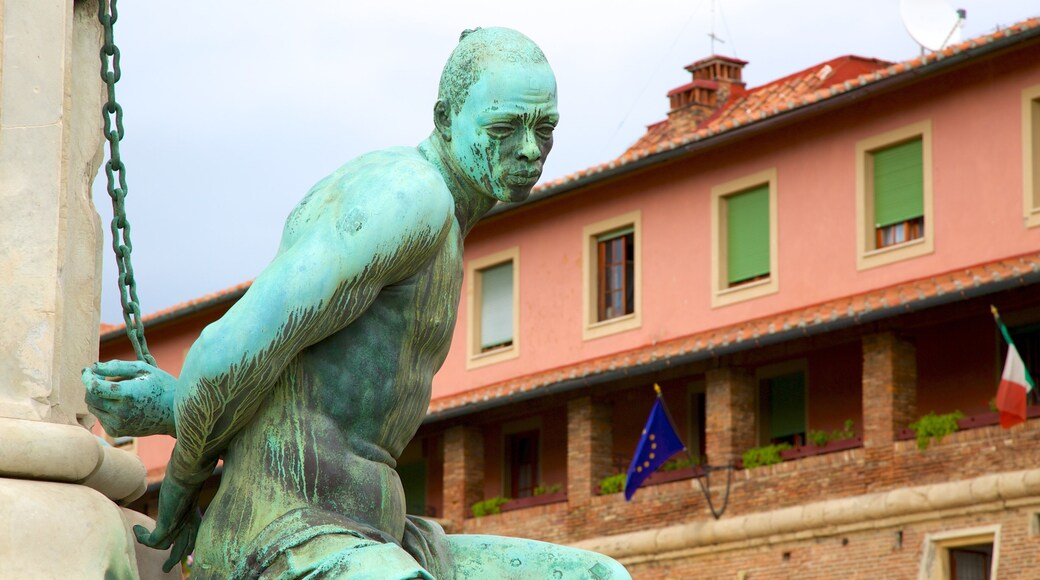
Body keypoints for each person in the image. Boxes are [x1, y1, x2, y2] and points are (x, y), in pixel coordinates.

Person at [84, 27, 629, 579]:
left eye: (545, 127)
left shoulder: (440, 216)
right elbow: (225, 350)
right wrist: (181, 481)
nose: (531, 149)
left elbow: (297, 378)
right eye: (504, 128)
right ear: (445, 119)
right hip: (294, 535)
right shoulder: (409, 197)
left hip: (381, 536)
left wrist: (171, 412)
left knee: (601, 576)